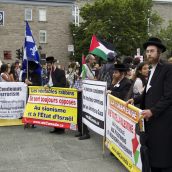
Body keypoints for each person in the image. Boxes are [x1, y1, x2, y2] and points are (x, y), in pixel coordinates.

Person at [126, 37, 172, 172]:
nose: (149, 54)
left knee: (163, 158)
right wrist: (136, 99)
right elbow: (149, 91)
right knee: (152, 157)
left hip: (162, 122)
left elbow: (168, 97)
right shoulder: (151, 70)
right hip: (150, 122)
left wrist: (152, 110)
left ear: (160, 52)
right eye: (147, 51)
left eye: (152, 51)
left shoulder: (168, 69)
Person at [44, 56, 66, 134]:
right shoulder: (50, 72)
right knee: (53, 111)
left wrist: (51, 87)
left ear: (53, 64)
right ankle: (56, 127)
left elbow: (62, 84)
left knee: (59, 111)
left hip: (59, 95)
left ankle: (61, 128)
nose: (48, 67)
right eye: (48, 66)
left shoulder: (61, 72)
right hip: (52, 95)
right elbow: (49, 82)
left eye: (49, 65)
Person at [77, 54, 96, 140]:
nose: (94, 61)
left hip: (87, 93)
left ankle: (83, 131)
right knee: (81, 112)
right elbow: (83, 79)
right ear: (89, 60)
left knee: (83, 112)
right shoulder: (85, 66)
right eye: (93, 59)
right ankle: (84, 132)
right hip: (83, 92)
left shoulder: (88, 67)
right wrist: (95, 80)